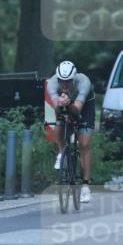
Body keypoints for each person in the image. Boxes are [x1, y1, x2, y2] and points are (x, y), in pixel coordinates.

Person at [48, 60, 95, 203]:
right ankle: (62, 152)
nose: (64, 85)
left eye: (68, 81)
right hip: (64, 105)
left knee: (84, 144)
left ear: (73, 79)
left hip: (84, 108)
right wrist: (61, 105)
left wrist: (69, 103)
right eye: (61, 81)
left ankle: (86, 185)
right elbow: (57, 111)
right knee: (58, 127)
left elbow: (77, 111)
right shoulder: (52, 84)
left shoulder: (84, 82)